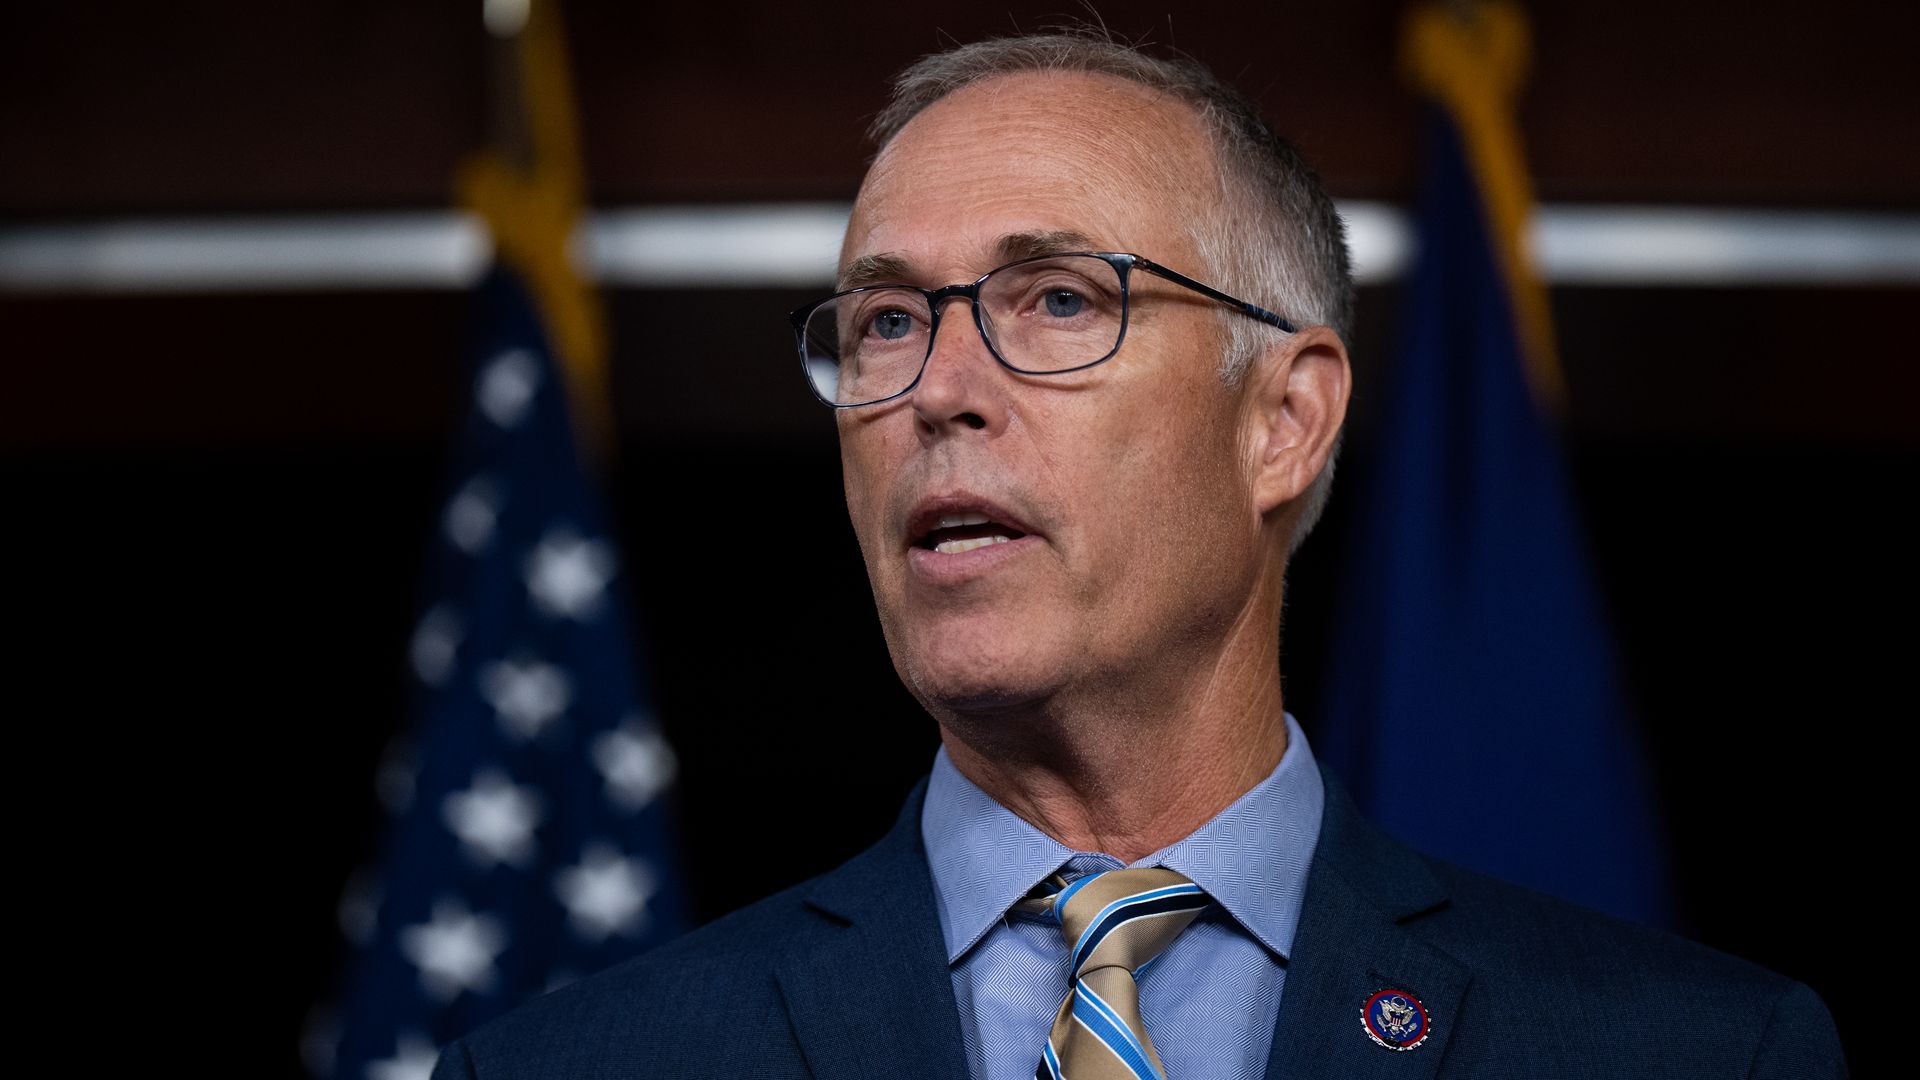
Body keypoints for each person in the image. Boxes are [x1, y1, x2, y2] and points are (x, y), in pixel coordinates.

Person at [433, 32, 1845, 1080]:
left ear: (1284, 420)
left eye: (1054, 299)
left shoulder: (1699, 1056)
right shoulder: (574, 1067)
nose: (937, 387)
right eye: (883, 323)